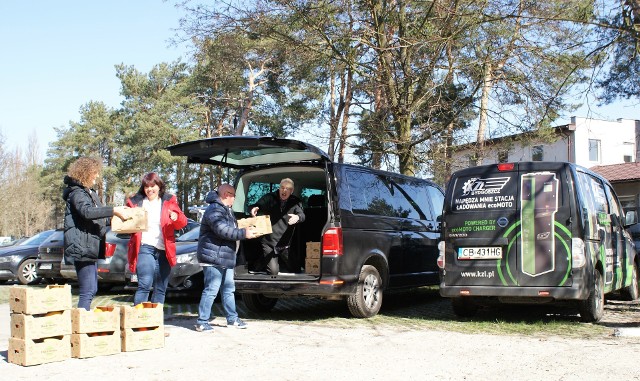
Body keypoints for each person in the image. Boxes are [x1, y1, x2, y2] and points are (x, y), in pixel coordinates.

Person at [63, 156, 130, 310]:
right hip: (82, 248)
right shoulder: (77, 193)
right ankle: (80, 326)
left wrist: (125, 223)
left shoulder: (89, 193)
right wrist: (114, 210)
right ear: (86, 173)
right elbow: (87, 212)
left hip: (89, 247)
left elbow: (100, 218)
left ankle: (82, 323)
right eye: (95, 172)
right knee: (88, 290)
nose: (97, 176)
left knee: (92, 289)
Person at [195, 184, 257, 332]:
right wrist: (243, 233)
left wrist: (249, 222)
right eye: (233, 195)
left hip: (225, 257)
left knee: (229, 289)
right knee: (211, 289)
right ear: (226, 194)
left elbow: (233, 226)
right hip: (213, 257)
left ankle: (232, 318)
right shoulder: (215, 209)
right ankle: (201, 321)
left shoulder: (225, 210)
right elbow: (222, 229)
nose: (235, 198)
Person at [127, 172, 187, 306]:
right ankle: (138, 320)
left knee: (161, 288)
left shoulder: (168, 201)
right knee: (145, 284)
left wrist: (176, 218)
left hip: (164, 249)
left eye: (153, 186)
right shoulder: (136, 202)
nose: (150, 189)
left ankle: (156, 320)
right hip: (144, 247)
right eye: (146, 187)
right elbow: (126, 223)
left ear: (159, 186)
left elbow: (182, 222)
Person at [250, 178, 305, 275]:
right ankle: (256, 266)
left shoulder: (295, 201)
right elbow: (258, 204)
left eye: (287, 189)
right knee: (273, 272)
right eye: (282, 188)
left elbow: (302, 215)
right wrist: (255, 207)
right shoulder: (270, 197)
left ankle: (260, 263)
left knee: (296, 270)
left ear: (291, 191)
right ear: (279, 188)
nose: (284, 190)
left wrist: (297, 217)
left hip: (284, 242)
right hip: (268, 240)